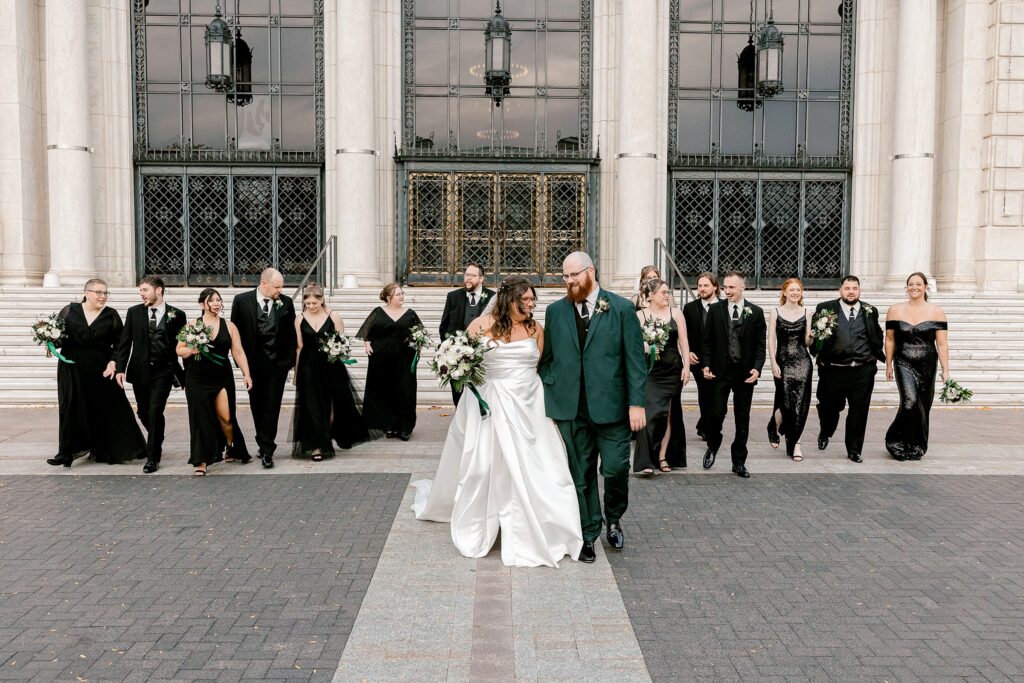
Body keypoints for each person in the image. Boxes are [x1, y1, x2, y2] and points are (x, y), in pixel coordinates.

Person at [414, 277, 583, 568]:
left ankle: (543, 524)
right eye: (526, 300)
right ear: (508, 300)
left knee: (538, 465)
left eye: (533, 300)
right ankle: (482, 520)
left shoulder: (534, 328)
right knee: (482, 466)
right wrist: (457, 370)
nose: (531, 305)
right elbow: (460, 356)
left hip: (528, 404)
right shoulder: (479, 326)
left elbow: (541, 364)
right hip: (489, 403)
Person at [539, 252, 647, 563]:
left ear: (591, 272)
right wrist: (556, 386)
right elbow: (547, 360)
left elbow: (635, 363)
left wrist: (636, 403)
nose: (569, 281)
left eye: (574, 275)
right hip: (571, 411)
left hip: (612, 410)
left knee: (614, 470)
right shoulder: (556, 311)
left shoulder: (622, 309)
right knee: (581, 475)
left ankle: (613, 518)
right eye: (565, 276)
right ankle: (588, 534)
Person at [47, 279, 149, 467]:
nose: (102, 296)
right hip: (72, 366)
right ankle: (66, 452)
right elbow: (59, 337)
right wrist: (48, 339)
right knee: (71, 406)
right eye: (98, 293)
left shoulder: (111, 315)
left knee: (106, 406)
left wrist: (114, 362)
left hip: (102, 367)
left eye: (105, 293)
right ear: (86, 292)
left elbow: (121, 342)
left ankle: (105, 447)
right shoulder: (70, 311)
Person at [114, 275, 188, 473]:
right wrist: (120, 368)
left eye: (145, 290)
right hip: (140, 371)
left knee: (155, 411)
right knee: (143, 412)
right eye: (140, 291)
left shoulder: (177, 315)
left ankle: (152, 457)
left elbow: (183, 345)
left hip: (164, 371)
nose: (141, 294)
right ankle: (157, 435)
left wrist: (185, 374)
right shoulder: (134, 312)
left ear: (159, 290)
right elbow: (124, 343)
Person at [291, 283, 372, 460]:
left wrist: (337, 353)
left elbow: (342, 343)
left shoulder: (334, 316)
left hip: (331, 366)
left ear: (322, 300)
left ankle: (327, 435)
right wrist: (296, 373)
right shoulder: (299, 319)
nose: (311, 307)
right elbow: (299, 347)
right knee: (312, 405)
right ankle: (317, 446)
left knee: (331, 405)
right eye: (308, 304)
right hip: (308, 366)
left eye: (314, 303)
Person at [178, 288, 252, 476]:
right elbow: (179, 349)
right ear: (202, 303)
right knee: (200, 419)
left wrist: (246, 374)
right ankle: (201, 461)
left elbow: (238, 352)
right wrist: (191, 351)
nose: (217, 303)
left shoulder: (230, 326)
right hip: (197, 377)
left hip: (222, 377)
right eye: (212, 300)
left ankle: (229, 445)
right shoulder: (192, 325)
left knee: (226, 418)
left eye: (219, 300)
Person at [700, 271, 767, 478]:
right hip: (721, 372)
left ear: (742, 288)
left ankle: (739, 461)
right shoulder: (715, 310)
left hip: (745, 374)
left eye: (731, 287)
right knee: (715, 413)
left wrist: (757, 367)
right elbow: (707, 341)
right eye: (725, 287)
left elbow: (760, 345)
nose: (727, 291)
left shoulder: (755, 312)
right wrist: (706, 365)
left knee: (742, 418)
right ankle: (713, 443)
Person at [813, 275, 885, 464]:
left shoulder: (870, 311)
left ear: (859, 290)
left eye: (855, 288)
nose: (851, 291)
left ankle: (854, 449)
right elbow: (816, 335)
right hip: (833, 369)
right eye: (847, 288)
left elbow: (877, 335)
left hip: (862, 369)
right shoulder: (825, 309)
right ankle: (826, 430)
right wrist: (818, 354)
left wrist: (876, 358)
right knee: (829, 407)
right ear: (840, 290)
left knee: (859, 411)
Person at [230, 268, 297, 469]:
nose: (280, 290)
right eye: (277, 286)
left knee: (272, 406)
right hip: (252, 365)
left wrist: (288, 363)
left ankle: (268, 450)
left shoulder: (286, 303)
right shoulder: (241, 301)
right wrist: (242, 367)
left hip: (277, 365)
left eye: (281, 286)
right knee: (257, 405)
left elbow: (290, 335)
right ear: (264, 284)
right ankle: (262, 440)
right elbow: (236, 335)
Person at [883, 272, 950, 461]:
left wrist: (946, 370)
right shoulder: (894, 310)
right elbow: (889, 339)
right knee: (909, 401)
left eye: (918, 284)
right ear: (906, 287)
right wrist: (888, 363)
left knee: (922, 404)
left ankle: (915, 444)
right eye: (911, 284)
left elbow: (942, 344)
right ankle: (895, 440)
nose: (914, 287)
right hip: (903, 361)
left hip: (927, 363)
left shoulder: (937, 311)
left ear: (926, 287)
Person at [633, 278, 690, 475]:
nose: (667, 295)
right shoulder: (639, 316)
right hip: (650, 372)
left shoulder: (676, 314)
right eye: (663, 292)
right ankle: (645, 460)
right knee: (650, 414)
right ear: (650, 296)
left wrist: (687, 367)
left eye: (668, 292)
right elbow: (634, 345)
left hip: (673, 370)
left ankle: (663, 456)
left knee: (668, 415)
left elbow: (684, 342)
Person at [357, 283, 423, 441]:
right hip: (381, 358)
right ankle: (390, 425)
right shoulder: (378, 312)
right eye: (398, 294)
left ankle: (405, 427)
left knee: (405, 391)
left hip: (404, 358)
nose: (402, 296)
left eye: (402, 293)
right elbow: (366, 332)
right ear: (389, 298)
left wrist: (418, 343)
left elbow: (420, 332)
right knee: (385, 391)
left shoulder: (410, 313)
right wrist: (367, 344)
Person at [766, 278, 813, 462]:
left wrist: (812, 336)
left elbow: (808, 343)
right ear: (784, 292)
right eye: (792, 290)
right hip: (783, 361)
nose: (795, 293)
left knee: (800, 404)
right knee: (785, 403)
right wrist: (772, 363)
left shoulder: (808, 312)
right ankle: (773, 425)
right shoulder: (775, 312)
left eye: (798, 290)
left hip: (803, 362)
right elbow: (771, 340)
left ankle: (796, 445)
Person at [438, 263, 495, 406]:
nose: (468, 279)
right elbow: (444, 326)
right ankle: (460, 418)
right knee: (458, 390)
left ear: (481, 278)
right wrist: (449, 348)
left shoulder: (492, 297)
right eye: (466, 275)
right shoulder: (453, 296)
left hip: (483, 353)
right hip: (457, 353)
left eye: (472, 275)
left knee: (482, 389)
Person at [682, 272, 720, 442]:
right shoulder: (690, 308)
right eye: (700, 286)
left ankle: (703, 424)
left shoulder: (725, 306)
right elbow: (685, 335)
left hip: (719, 360)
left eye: (706, 285)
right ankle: (708, 428)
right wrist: (687, 352)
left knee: (717, 396)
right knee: (705, 394)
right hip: (697, 359)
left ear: (715, 287)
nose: (702, 289)